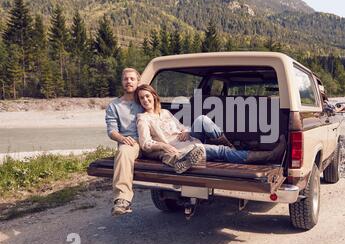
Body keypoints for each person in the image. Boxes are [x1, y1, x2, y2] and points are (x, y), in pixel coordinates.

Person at [135, 84, 286, 172]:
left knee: (202, 119)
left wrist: (186, 131)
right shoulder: (143, 118)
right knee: (221, 151)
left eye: (148, 96)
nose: (145, 100)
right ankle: (271, 156)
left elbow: (182, 126)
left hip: (188, 139)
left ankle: (231, 147)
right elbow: (145, 144)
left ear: (154, 96)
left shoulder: (165, 112)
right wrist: (164, 146)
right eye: (142, 98)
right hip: (182, 149)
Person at [105, 68, 144, 216]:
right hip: (131, 143)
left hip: (150, 140)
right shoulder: (114, 106)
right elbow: (112, 131)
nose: (129, 81)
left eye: (132, 79)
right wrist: (122, 139)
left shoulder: (144, 99)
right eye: (126, 79)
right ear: (122, 82)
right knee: (123, 150)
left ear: (138, 81)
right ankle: (122, 199)